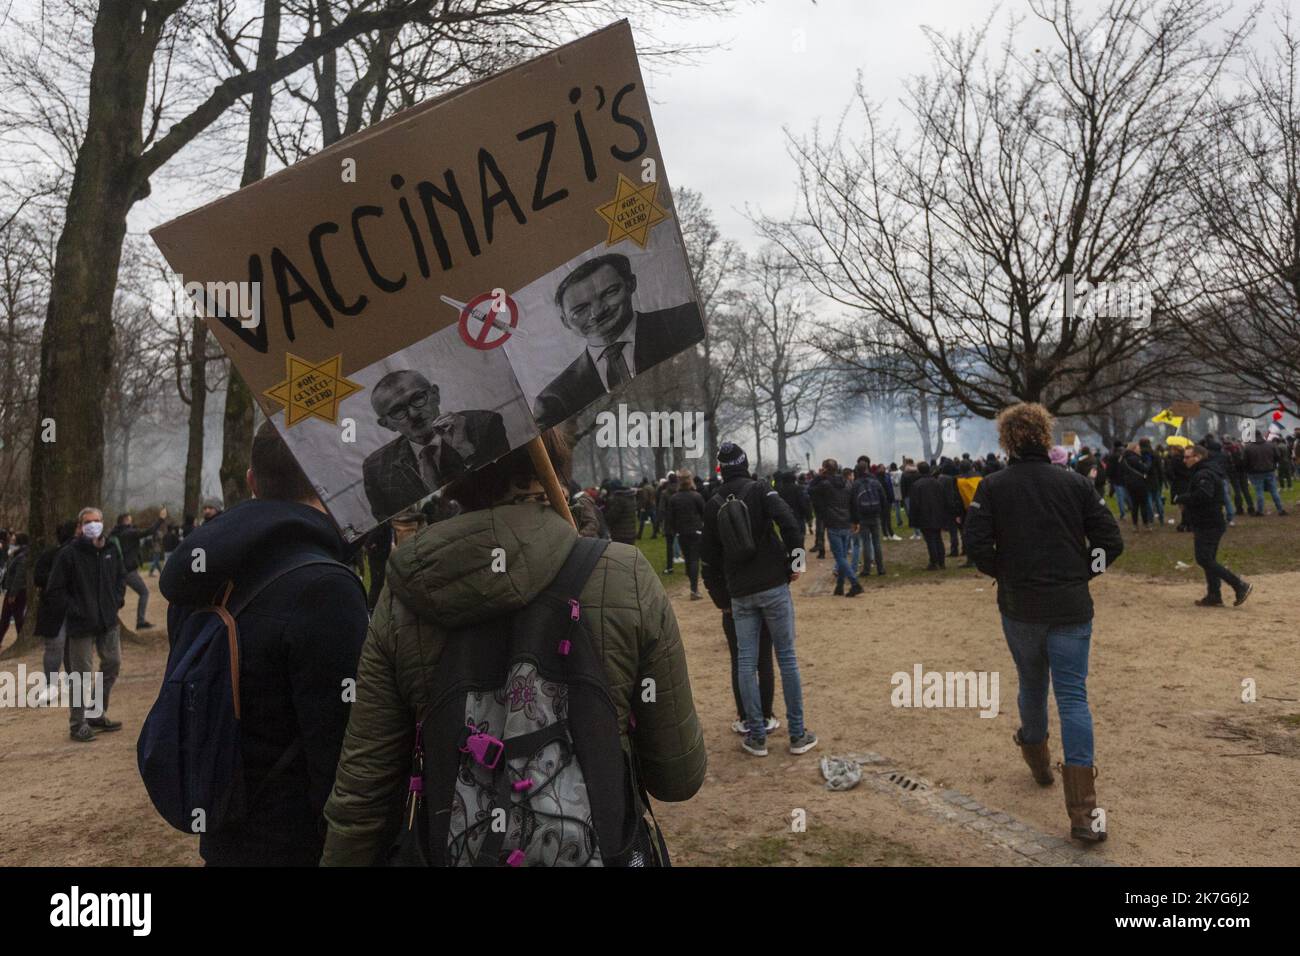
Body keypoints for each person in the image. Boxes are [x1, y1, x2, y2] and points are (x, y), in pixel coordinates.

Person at [321, 427, 706, 865]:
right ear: (553, 467)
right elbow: (678, 777)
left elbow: (363, 794)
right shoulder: (625, 576)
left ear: (452, 478)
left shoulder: (403, 600)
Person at [160, 420, 370, 865]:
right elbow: (342, 747)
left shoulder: (201, 573)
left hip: (223, 827)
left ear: (252, 480)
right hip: (296, 842)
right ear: (326, 479)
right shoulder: (326, 587)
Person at [964, 402, 1124, 844]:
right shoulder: (1074, 484)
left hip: (1021, 605)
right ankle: (1083, 811)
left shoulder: (992, 487)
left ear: (1006, 440)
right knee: (1073, 697)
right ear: (1045, 435)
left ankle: (1037, 760)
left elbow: (975, 544)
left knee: (1032, 685)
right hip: (1068, 604)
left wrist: (1002, 570)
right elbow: (1110, 541)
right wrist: (1084, 571)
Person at [701, 442, 816, 758]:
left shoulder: (713, 504)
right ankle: (797, 734)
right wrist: (794, 563)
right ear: (745, 463)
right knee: (787, 658)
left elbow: (707, 560)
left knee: (745, 663)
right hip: (772, 584)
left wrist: (720, 598)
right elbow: (791, 523)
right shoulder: (760, 490)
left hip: (739, 593)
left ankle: (756, 735)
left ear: (720, 468)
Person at [532, 254, 704, 428]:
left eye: (609, 293)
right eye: (580, 309)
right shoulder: (553, 401)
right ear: (565, 322)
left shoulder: (687, 321)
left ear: (631, 284)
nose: (598, 312)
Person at [361, 370, 509, 524]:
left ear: (435, 395)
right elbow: (391, 525)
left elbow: (504, 487)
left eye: (418, 398)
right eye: (398, 411)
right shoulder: (376, 468)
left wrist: (466, 450)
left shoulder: (483, 425)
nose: (413, 413)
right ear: (386, 424)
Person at [42, 508, 127, 742]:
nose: (93, 525)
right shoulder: (69, 554)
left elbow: (121, 576)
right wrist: (74, 610)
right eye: (88, 522)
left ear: (103, 522)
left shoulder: (111, 549)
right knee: (81, 674)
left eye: (97, 520)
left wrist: (116, 600)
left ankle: (96, 712)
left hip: (108, 620)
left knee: (113, 663)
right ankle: (77, 723)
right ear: (80, 526)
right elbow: (55, 589)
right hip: (81, 625)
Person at [1177, 444, 1253, 608]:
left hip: (1208, 523)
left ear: (1197, 457)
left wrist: (1183, 498)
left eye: (1187, 457)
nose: (1184, 460)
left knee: (1204, 558)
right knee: (1208, 559)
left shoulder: (1204, 473)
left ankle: (1239, 585)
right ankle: (1214, 594)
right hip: (1208, 521)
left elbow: (1204, 495)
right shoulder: (1206, 471)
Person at [809, 458, 863, 597]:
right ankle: (839, 586)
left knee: (839, 557)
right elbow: (853, 503)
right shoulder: (848, 483)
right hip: (846, 521)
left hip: (833, 522)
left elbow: (810, 490)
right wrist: (856, 521)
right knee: (843, 556)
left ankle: (855, 583)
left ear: (825, 469)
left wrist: (819, 476)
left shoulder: (825, 485)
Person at [109, 508, 167, 629]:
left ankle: (110, 620)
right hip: (128, 570)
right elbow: (149, 531)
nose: (132, 522)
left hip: (119, 570)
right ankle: (140, 621)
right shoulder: (129, 533)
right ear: (126, 521)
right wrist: (161, 519)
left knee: (117, 596)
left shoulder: (115, 533)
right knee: (144, 592)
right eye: (130, 520)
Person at [668, 472, 706, 599]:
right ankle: (694, 589)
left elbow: (671, 518)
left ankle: (692, 584)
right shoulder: (696, 496)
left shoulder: (674, 498)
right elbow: (704, 512)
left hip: (682, 532)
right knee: (694, 559)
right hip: (695, 531)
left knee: (688, 559)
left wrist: (675, 530)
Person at [908, 461, 950, 570]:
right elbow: (944, 500)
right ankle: (942, 562)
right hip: (938, 514)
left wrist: (913, 518)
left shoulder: (917, 485)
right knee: (938, 538)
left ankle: (934, 562)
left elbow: (915, 504)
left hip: (924, 515)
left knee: (930, 539)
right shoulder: (937, 483)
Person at [849, 463, 886, 578]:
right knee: (876, 542)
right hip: (875, 514)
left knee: (865, 543)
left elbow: (852, 503)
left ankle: (867, 569)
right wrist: (881, 512)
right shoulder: (875, 482)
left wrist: (855, 520)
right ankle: (880, 568)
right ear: (867, 470)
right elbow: (883, 498)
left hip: (862, 516)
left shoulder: (855, 484)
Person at [1243, 430, 1288, 516]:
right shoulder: (1271, 445)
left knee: (1259, 492)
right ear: (1261, 435)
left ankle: (1260, 511)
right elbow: (1278, 457)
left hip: (1255, 473)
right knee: (1274, 491)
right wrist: (1273, 465)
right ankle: (1280, 509)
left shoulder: (1248, 448)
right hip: (1270, 470)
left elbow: (1245, 462)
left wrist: (1248, 470)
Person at [0, 533, 30, 646]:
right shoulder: (17, 555)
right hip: (13, 590)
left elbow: (19, 576)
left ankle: (21, 640)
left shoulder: (22, 556)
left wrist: (13, 593)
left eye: (14, 540)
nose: (12, 542)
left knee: (16, 617)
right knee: (6, 617)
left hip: (17, 591)